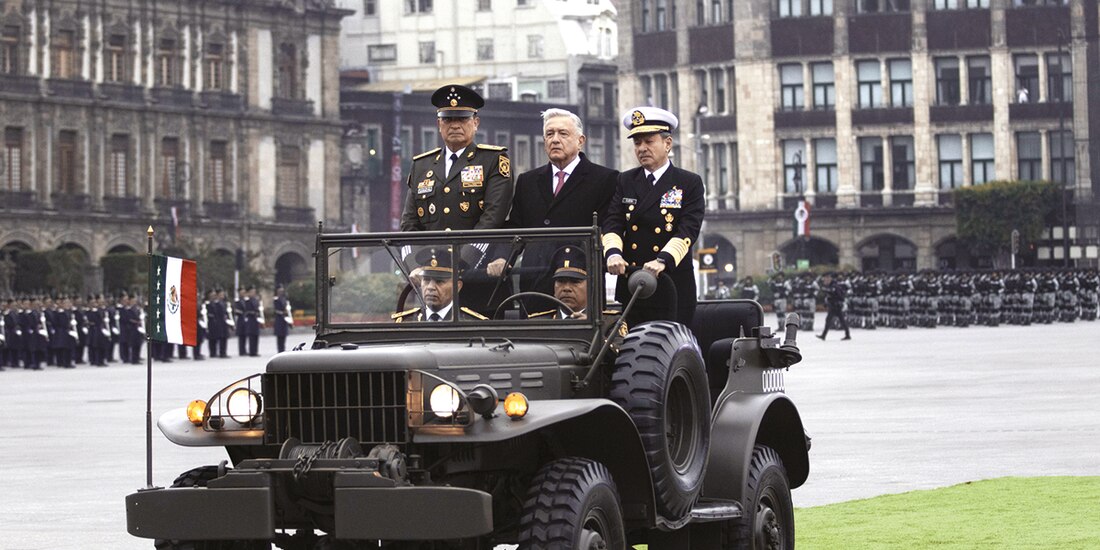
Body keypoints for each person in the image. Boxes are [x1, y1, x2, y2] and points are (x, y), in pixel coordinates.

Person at [486, 108, 618, 291]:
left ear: (581, 141)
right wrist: (503, 256)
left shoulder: (605, 179)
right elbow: (516, 226)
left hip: (579, 283)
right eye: (549, 134)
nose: (555, 139)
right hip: (534, 283)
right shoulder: (528, 181)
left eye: (563, 133)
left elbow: (609, 229)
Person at [602, 106, 705, 325]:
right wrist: (612, 254)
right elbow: (613, 221)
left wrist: (662, 260)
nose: (642, 148)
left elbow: (688, 229)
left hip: (671, 284)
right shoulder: (625, 180)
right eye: (637, 143)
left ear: (667, 144)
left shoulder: (688, 182)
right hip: (633, 282)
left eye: (649, 141)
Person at [400, 84, 513, 231]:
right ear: (439, 124)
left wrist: (468, 253)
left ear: (475, 123)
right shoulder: (421, 166)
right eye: (448, 119)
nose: (455, 126)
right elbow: (409, 222)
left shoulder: (493, 160)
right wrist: (423, 254)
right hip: (430, 252)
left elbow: (493, 217)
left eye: (462, 119)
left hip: (477, 251)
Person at [393, 247, 488, 322]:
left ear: (457, 286)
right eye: (426, 280)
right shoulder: (406, 323)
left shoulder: (472, 325)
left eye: (439, 281)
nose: (430, 287)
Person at [528, 247, 590, 320]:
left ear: (589, 287)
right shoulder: (538, 324)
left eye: (575, 282)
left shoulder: (605, 325)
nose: (566, 288)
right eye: (561, 281)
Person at [817, 274, 851, 341]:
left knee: (832, 320)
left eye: (827, 279)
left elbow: (839, 296)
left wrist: (833, 297)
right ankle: (847, 334)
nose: (825, 281)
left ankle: (824, 335)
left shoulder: (835, 286)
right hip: (833, 305)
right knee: (840, 320)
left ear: (830, 279)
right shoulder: (830, 286)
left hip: (836, 306)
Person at [273, 285, 293, 353]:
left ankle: (283, 349)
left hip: (285, 319)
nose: (281, 292)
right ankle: (280, 350)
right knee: (279, 336)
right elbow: (276, 310)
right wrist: (283, 312)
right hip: (279, 319)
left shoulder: (284, 299)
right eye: (279, 291)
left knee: (284, 335)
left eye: (282, 290)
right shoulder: (276, 299)